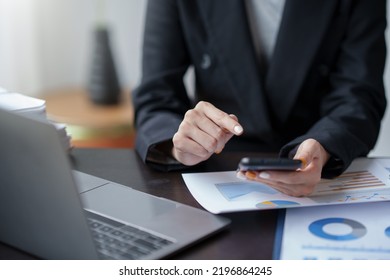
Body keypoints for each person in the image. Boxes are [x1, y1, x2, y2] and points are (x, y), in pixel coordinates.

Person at [132, 0, 387, 197]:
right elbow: (156, 97)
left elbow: (359, 96)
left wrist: (324, 146)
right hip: (212, 167)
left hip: (317, 165)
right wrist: (180, 146)